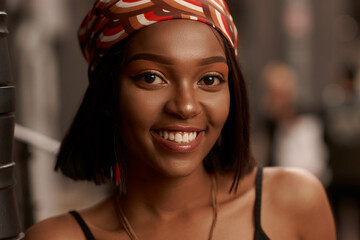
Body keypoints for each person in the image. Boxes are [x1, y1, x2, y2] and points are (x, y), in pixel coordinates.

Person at [25, 0, 336, 239]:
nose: (186, 106)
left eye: (210, 79)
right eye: (151, 77)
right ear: (108, 95)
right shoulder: (59, 237)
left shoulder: (293, 202)